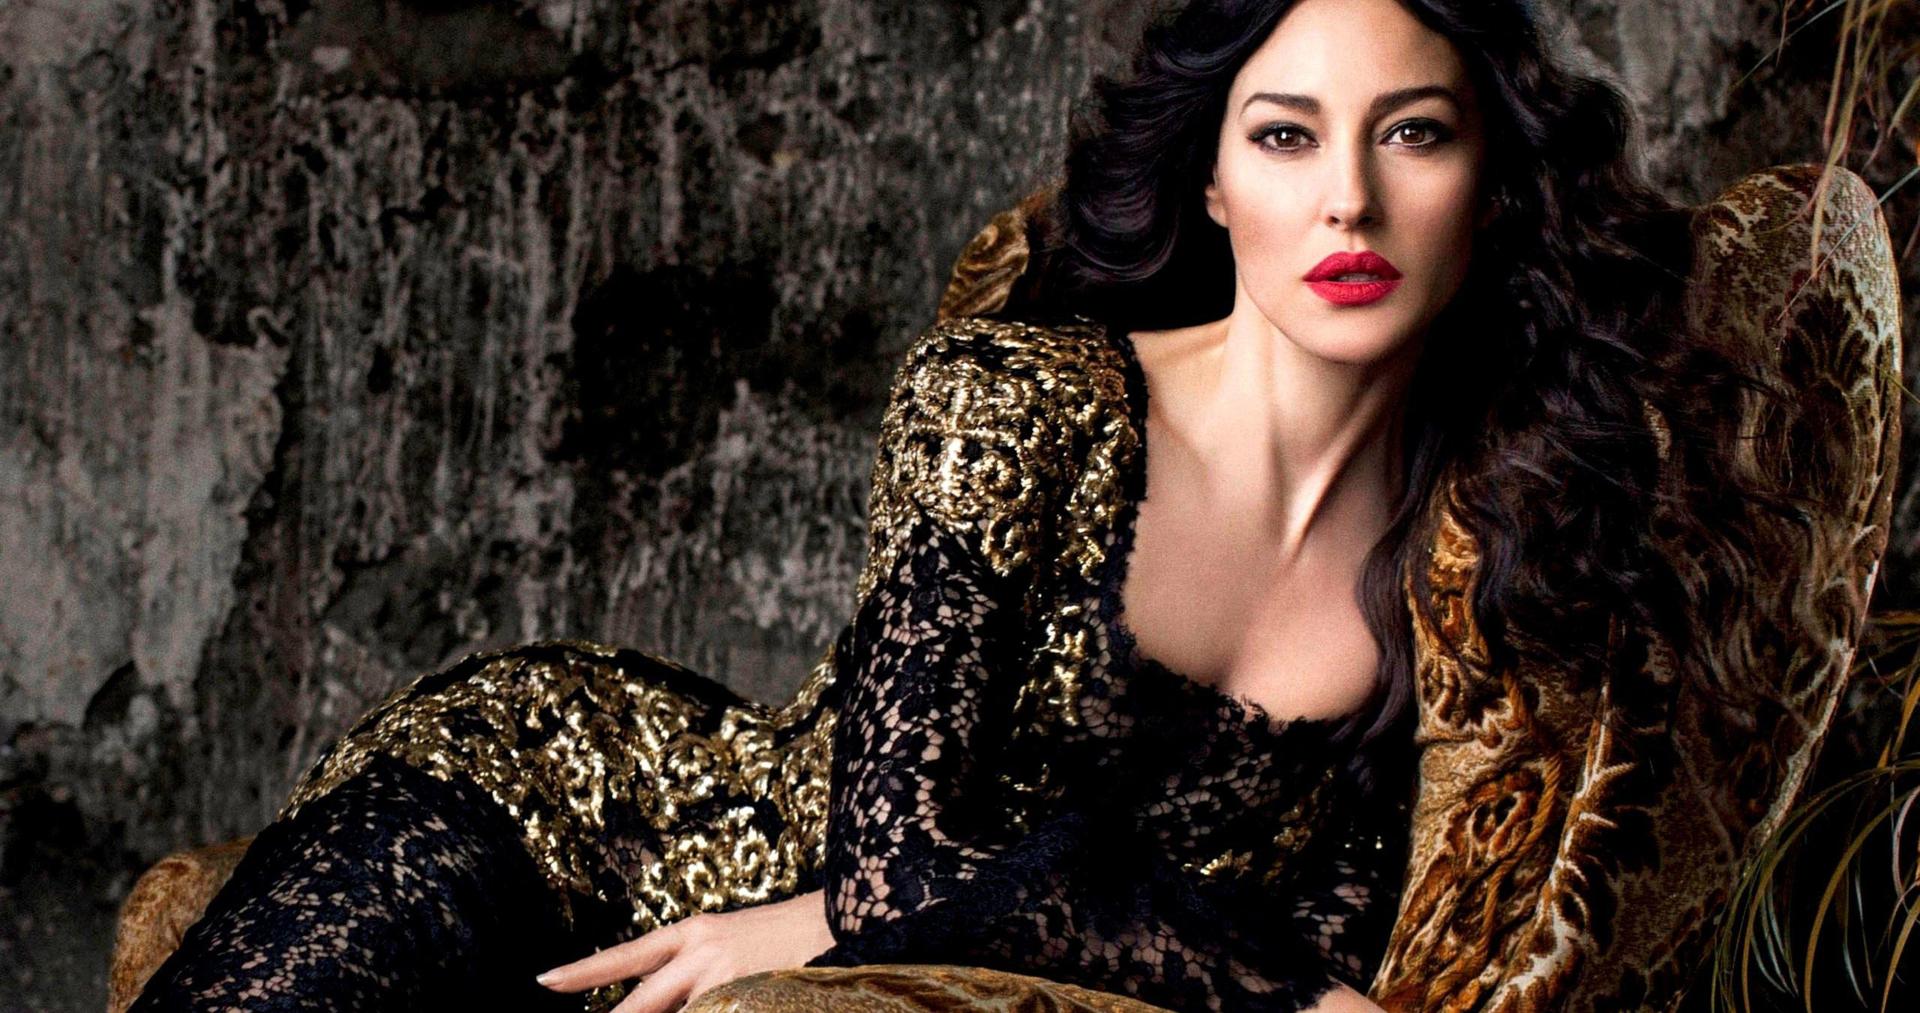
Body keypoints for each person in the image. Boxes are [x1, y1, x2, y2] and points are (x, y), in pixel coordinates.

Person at [128, 1, 1820, 1012]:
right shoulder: (1016, 397)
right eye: (1289, 137)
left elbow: (1285, 906)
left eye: (1417, 134)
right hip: (579, 819)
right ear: (1212, 177)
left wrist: (834, 923)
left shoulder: (1479, 552)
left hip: (792, 952)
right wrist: (1295, 997)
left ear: (1493, 184)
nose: (1350, 202)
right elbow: (910, 856)